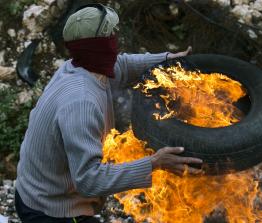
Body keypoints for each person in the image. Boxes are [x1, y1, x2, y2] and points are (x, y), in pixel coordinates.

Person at [15, 4, 202, 223]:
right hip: (51, 210)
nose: (116, 39)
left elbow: (122, 64)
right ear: (99, 46)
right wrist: (154, 163)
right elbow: (88, 180)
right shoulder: (81, 102)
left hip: (34, 192)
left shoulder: (78, 65)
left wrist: (168, 59)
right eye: (111, 35)